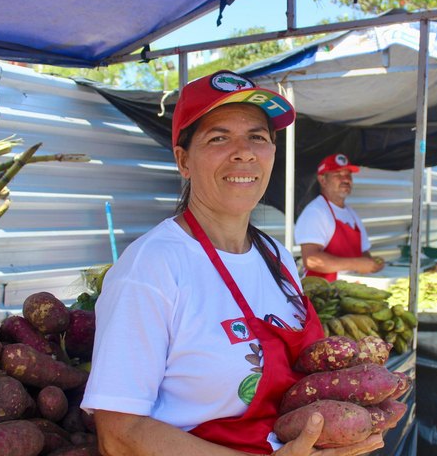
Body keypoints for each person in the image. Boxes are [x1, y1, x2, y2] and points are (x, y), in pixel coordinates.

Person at [81, 70, 384, 456]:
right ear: (183, 160)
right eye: (219, 137)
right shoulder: (152, 268)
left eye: (258, 137)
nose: (244, 152)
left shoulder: (276, 257)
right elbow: (119, 435)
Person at [294, 153, 385, 282]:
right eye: (338, 174)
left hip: (350, 294)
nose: (346, 179)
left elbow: (364, 254)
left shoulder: (351, 213)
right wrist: (357, 264)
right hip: (323, 295)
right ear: (322, 180)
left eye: (348, 174)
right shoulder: (315, 212)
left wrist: (372, 264)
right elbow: (311, 260)